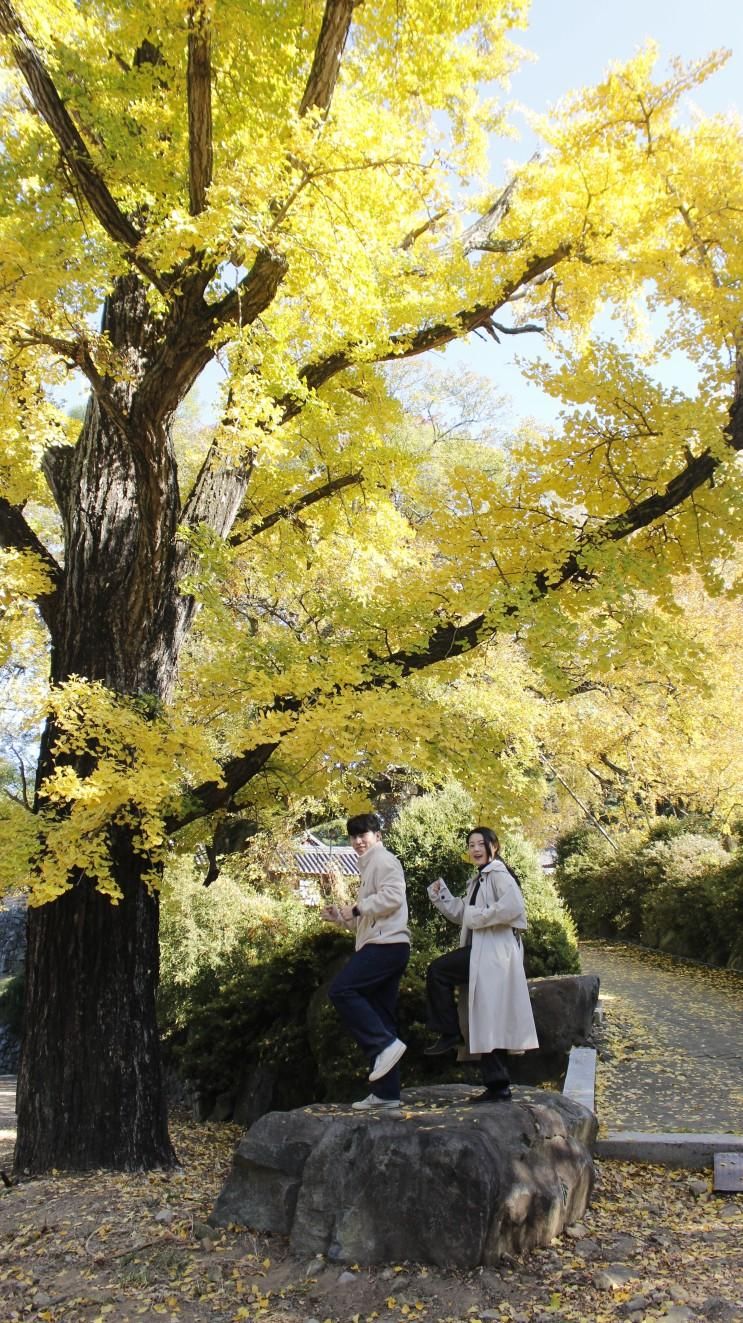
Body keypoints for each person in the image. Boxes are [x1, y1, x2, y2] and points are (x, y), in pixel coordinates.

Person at [424, 826, 539, 1103]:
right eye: (471, 845)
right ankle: (498, 1086)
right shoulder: (479, 880)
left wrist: (480, 916)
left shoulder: (498, 874)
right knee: (489, 1018)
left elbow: (514, 908)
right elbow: (464, 914)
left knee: (439, 971)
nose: (475, 849)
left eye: (480, 843)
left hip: (495, 954)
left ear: (494, 846)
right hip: (484, 953)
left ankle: (449, 1032)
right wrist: (443, 896)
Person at [322, 812, 411, 1110]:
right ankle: (387, 1095)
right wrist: (343, 918)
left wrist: (357, 908)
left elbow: (394, 897)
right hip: (385, 943)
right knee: (382, 1017)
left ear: (378, 836)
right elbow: (370, 918)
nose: (359, 841)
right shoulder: (368, 865)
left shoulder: (383, 860)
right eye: (354, 835)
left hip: (388, 945)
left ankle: (384, 1045)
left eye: (364, 834)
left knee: (342, 990)